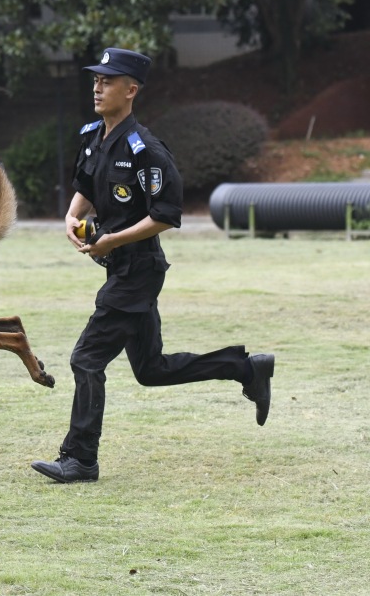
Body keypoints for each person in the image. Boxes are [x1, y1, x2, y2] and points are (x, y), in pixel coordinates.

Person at [30, 47, 275, 484]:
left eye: (108, 80)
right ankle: (246, 368)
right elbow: (84, 183)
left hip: (137, 271)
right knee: (151, 370)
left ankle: (80, 459)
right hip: (119, 265)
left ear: (131, 90)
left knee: (86, 359)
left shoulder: (147, 151)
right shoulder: (93, 135)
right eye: (95, 80)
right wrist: (72, 216)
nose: (97, 86)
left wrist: (111, 239)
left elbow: (166, 215)